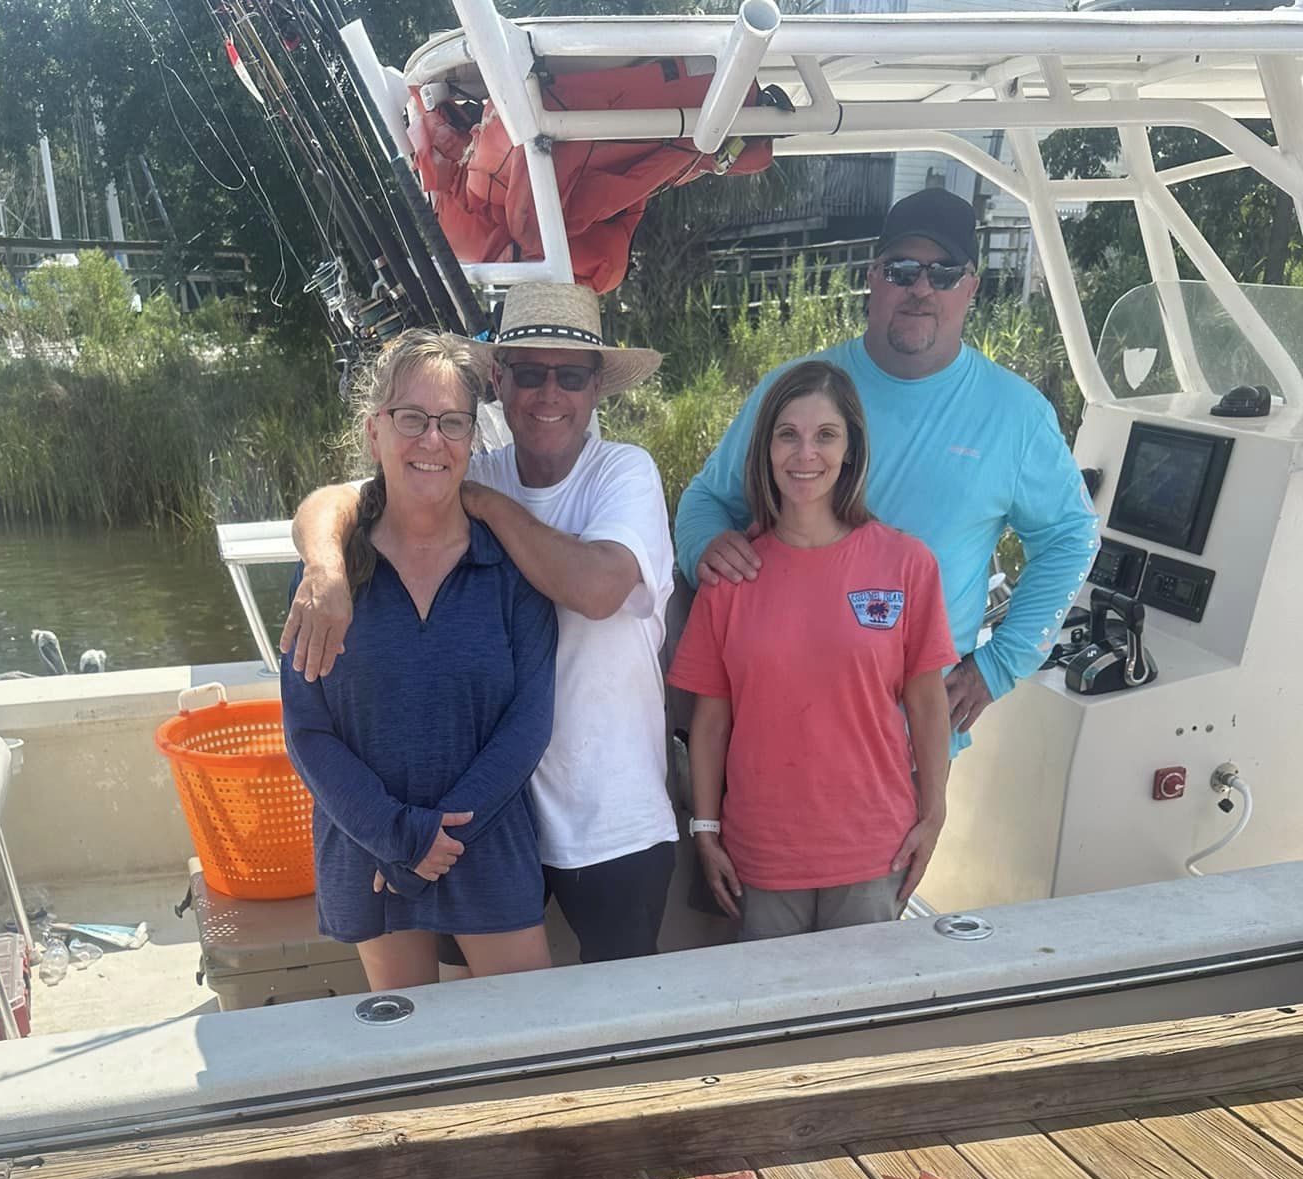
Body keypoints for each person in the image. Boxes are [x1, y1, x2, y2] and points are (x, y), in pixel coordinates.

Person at [282, 281, 679, 965]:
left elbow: (595, 587)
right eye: (528, 372)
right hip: (506, 822)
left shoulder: (621, 473)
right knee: (441, 1030)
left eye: (571, 376)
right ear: (499, 381)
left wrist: (493, 510)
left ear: (596, 390)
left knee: (623, 1022)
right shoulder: (471, 467)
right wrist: (323, 566)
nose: (549, 394)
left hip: (607, 818)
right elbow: (342, 499)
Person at [675, 188, 1099, 743]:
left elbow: (1071, 537)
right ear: (873, 276)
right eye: (902, 269)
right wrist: (705, 543)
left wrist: (999, 667)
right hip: (770, 720)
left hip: (907, 738)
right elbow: (706, 499)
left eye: (944, 273)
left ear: (971, 286)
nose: (921, 288)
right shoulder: (797, 387)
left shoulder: (1016, 415)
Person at [278, 331, 557, 993]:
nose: (431, 441)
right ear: (375, 433)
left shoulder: (510, 568)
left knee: (529, 1044)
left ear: (470, 438)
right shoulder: (327, 578)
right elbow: (307, 731)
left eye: (452, 423)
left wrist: (432, 842)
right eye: (411, 419)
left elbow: (529, 725)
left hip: (486, 847)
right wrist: (400, 838)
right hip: (369, 847)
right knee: (408, 1055)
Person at [670, 360, 955, 940]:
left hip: (875, 849)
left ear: (850, 449)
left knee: (868, 1022)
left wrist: (935, 812)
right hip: (764, 853)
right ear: (765, 449)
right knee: (774, 1027)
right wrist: (705, 829)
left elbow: (927, 702)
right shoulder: (731, 575)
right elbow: (711, 720)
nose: (806, 455)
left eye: (826, 435)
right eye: (788, 435)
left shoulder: (905, 564)